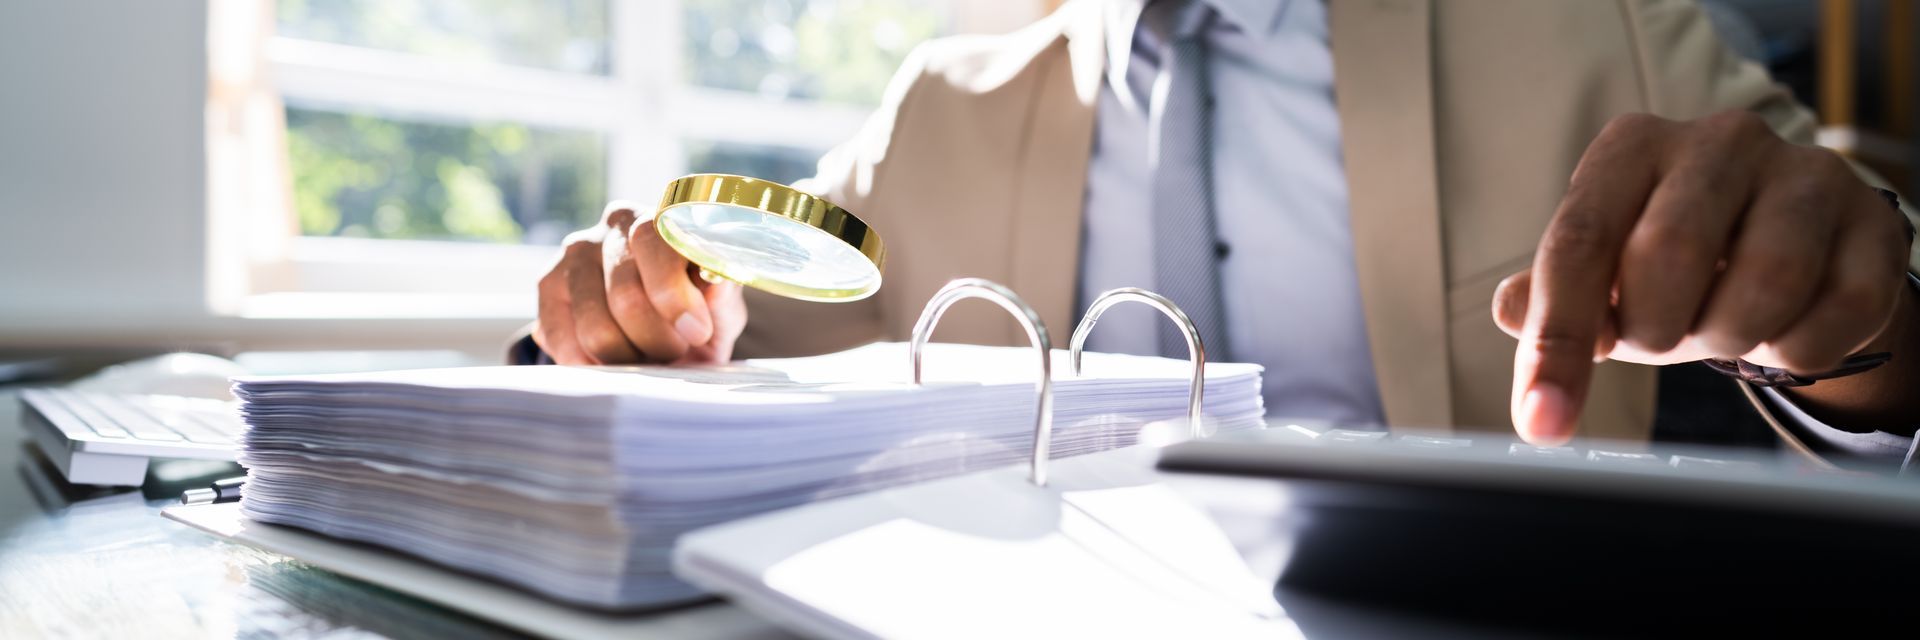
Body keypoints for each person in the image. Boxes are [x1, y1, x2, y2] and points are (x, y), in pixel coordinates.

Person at [520, 0, 1920, 467]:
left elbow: (1869, 307)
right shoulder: (936, 107)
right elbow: (734, 314)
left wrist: (1866, 334)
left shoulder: (1594, 29)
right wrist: (643, 317)